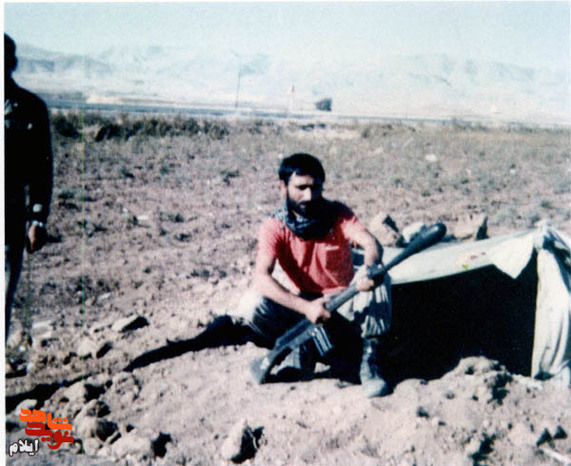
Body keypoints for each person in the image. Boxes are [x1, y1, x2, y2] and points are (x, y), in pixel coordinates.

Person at [232, 153, 392, 397]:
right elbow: (261, 278)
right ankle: (303, 344)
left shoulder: (337, 213)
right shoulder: (274, 226)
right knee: (251, 304)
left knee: (381, 278)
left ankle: (370, 358)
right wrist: (305, 307)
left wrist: (369, 269)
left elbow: (371, 244)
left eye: (316, 187)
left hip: (345, 303)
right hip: (306, 307)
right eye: (301, 188)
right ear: (283, 187)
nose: (309, 196)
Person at [4, 34, 53, 341]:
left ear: (12, 63)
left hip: (9, 216)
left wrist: (38, 218)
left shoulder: (32, 109)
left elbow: (42, 169)